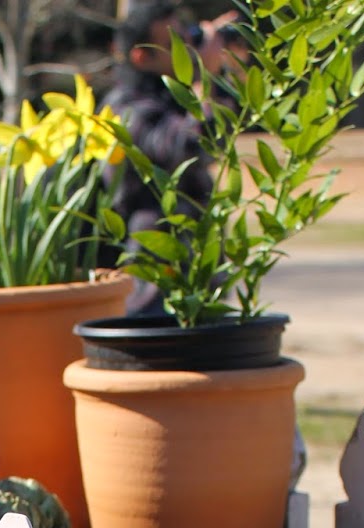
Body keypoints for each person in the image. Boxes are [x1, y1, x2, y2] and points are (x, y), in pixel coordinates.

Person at [103, 1, 239, 313]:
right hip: (152, 283)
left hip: (195, 273)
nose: (187, 47)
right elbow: (191, 147)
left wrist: (231, 71)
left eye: (187, 35)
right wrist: (206, 77)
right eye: (174, 43)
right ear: (142, 57)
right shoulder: (127, 109)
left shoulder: (173, 97)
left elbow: (222, 134)